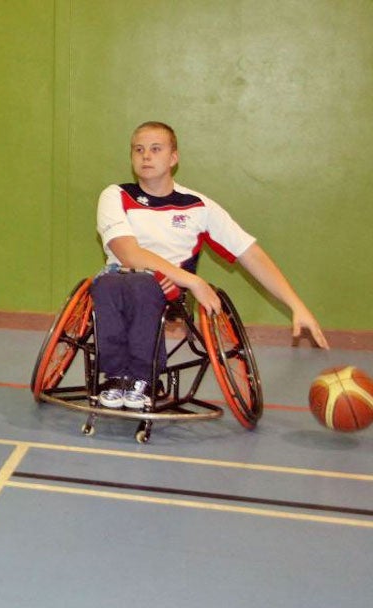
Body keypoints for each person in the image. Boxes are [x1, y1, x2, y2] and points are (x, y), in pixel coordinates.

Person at [92, 120, 328, 410]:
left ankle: (143, 378)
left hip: (170, 291)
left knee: (143, 284)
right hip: (120, 278)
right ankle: (116, 376)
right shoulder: (115, 195)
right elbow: (127, 253)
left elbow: (250, 254)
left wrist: (296, 305)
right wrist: (196, 281)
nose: (146, 156)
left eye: (156, 149)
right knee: (107, 283)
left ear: (173, 158)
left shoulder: (198, 206)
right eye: (138, 150)